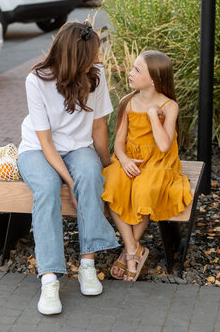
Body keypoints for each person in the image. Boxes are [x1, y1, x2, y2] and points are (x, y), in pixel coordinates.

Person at [17, 21, 119, 315]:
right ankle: (49, 279)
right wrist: (69, 183)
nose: (98, 60)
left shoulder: (94, 76)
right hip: (38, 149)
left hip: (78, 147)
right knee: (48, 188)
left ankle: (87, 264)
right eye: (93, 55)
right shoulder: (36, 80)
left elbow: (99, 127)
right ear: (76, 57)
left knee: (90, 175)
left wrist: (107, 167)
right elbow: (46, 142)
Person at [101, 50, 193, 282]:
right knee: (111, 184)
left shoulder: (168, 105)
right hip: (130, 159)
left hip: (159, 163)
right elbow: (119, 143)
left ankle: (128, 253)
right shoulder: (127, 102)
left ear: (153, 79)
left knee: (145, 189)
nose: (130, 73)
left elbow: (163, 145)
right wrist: (123, 160)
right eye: (132, 68)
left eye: (136, 70)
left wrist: (153, 116)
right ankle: (133, 248)